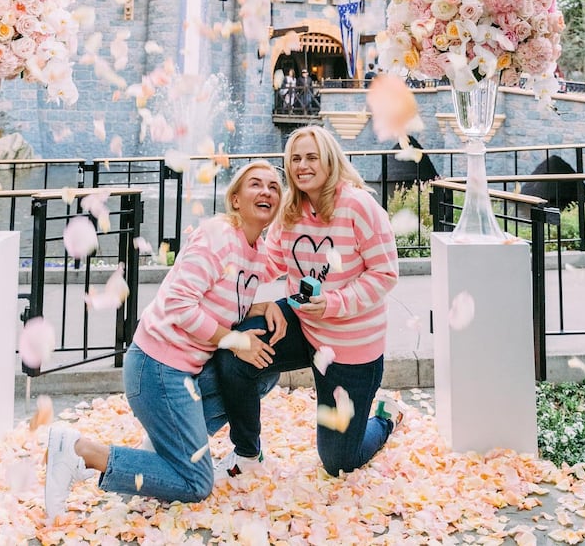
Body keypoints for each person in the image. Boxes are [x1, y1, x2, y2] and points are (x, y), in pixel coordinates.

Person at [43, 160, 285, 521]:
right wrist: (236, 341)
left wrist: (267, 305)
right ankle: (81, 450)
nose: (266, 191)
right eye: (255, 184)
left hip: (189, 372)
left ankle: (161, 449)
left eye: (274, 187)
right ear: (235, 199)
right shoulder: (218, 235)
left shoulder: (256, 252)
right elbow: (178, 304)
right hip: (157, 368)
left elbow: (223, 297)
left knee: (264, 370)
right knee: (195, 484)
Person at [214, 125, 401, 479]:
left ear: (329, 161)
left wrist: (332, 303)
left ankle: (386, 418)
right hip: (302, 326)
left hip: (350, 349)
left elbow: (385, 274)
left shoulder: (359, 206)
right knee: (234, 350)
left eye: (311, 157)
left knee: (339, 462)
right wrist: (224, 252)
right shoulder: (290, 209)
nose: (302, 165)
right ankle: (248, 455)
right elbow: (270, 264)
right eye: (295, 158)